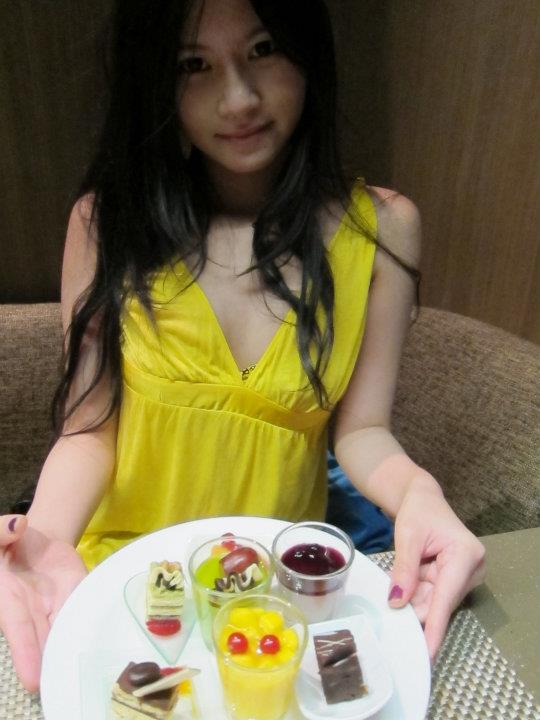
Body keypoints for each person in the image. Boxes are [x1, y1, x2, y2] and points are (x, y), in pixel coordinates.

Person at [0, 0, 485, 693]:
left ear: (307, 52)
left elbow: (363, 431)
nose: (238, 99)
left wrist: (419, 492)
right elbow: (89, 429)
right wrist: (44, 541)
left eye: (262, 49)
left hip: (275, 593)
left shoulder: (381, 230)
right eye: (193, 65)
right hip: (124, 578)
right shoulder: (107, 223)